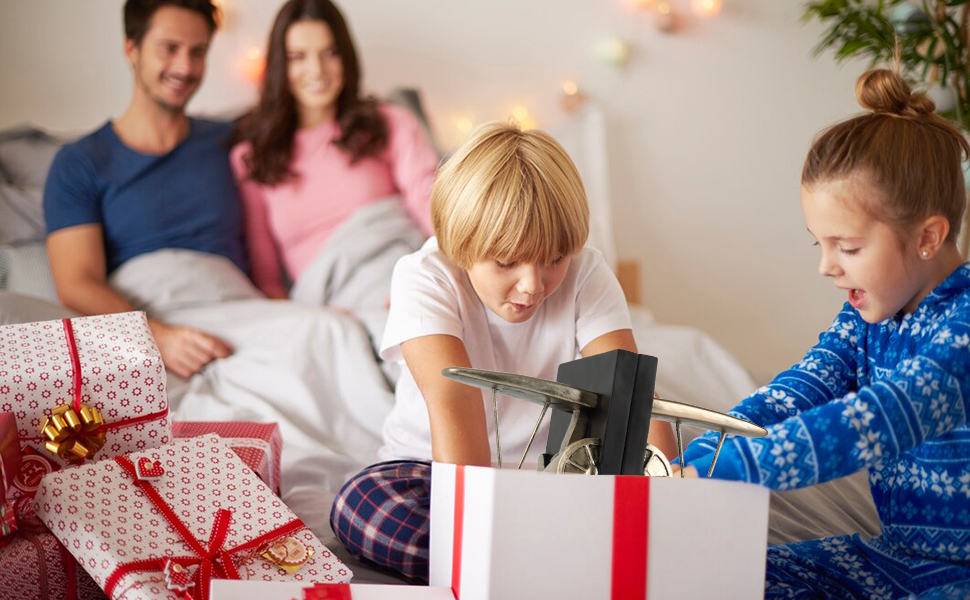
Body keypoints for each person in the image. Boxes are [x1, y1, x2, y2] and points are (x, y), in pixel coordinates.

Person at [329, 122, 677, 582]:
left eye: (553, 259)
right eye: (507, 261)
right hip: (436, 473)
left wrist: (662, 495)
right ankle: (543, 563)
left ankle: (527, 560)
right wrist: (475, 529)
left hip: (552, 483)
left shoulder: (588, 273)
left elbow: (630, 400)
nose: (533, 285)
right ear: (461, 246)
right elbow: (456, 401)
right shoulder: (423, 277)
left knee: (672, 472)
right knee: (361, 505)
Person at [676, 68, 970, 598]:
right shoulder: (865, 317)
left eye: (848, 247)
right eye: (820, 245)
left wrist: (738, 468)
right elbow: (800, 389)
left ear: (928, 236)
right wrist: (702, 457)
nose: (827, 267)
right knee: (729, 576)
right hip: (896, 560)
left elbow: (880, 416)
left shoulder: (964, 326)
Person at [44, 0, 242, 379]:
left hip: (238, 310)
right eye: (169, 48)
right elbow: (77, 283)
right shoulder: (80, 163)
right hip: (156, 323)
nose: (185, 67)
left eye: (197, 52)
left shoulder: (228, 141)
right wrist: (157, 337)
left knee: (331, 336)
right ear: (131, 48)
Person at [230, 0, 438, 300]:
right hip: (328, 305)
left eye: (330, 53)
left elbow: (435, 213)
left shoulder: (390, 122)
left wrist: (422, 280)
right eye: (298, 57)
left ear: (346, 58)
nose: (316, 70)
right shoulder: (251, 158)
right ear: (279, 65)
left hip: (403, 276)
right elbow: (268, 280)